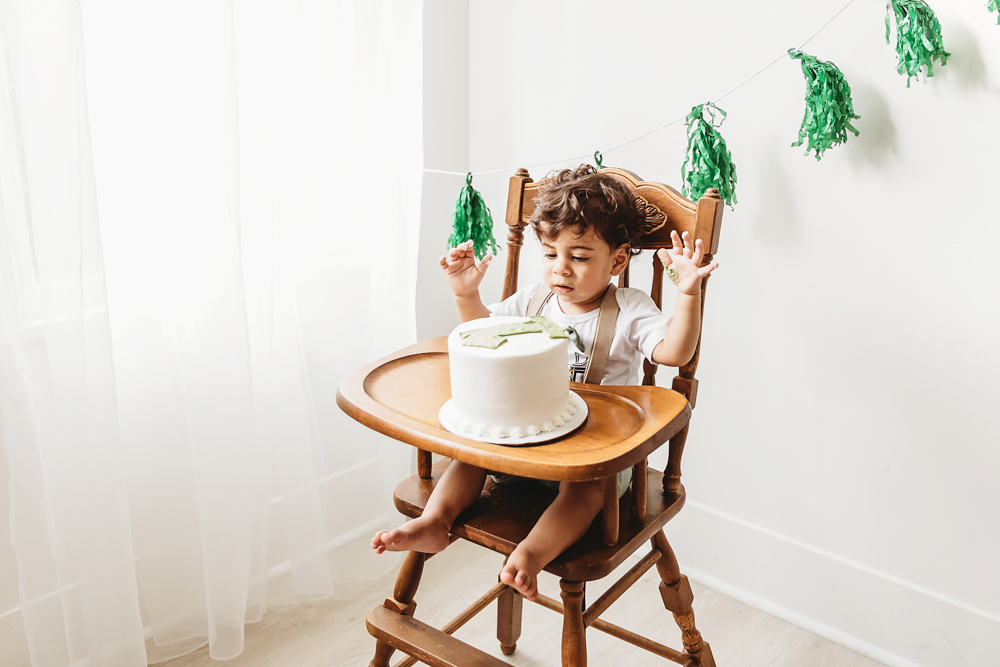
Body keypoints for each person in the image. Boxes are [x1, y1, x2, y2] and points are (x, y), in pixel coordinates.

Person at [371, 164, 718, 601]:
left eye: (579, 256)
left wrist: (688, 294)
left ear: (617, 260)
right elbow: (484, 337)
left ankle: (531, 554)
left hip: (594, 456)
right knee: (471, 454)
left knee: (586, 490)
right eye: (551, 254)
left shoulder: (629, 307)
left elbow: (674, 353)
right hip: (528, 441)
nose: (561, 270)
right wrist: (466, 296)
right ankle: (436, 522)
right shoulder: (537, 298)